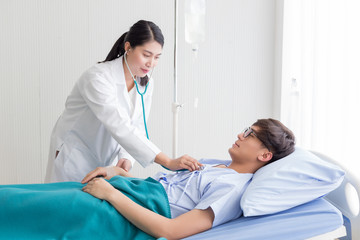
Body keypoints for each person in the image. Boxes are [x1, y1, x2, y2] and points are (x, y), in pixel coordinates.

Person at [0, 119, 295, 239]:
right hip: (124, 191)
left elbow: (171, 228)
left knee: (20, 207)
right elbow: (162, 190)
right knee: (23, 195)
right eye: (245, 129)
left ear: (265, 155)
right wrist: (118, 174)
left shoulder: (233, 189)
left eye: (250, 134)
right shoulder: (214, 166)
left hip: (117, 211)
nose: (240, 135)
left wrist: (112, 195)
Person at [45, 20, 200, 183]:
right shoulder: (98, 78)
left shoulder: (145, 83)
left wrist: (126, 157)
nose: (151, 63)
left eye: (156, 57)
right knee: (65, 205)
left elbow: (137, 125)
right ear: (128, 47)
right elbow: (119, 124)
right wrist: (168, 162)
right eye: (146, 55)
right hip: (74, 156)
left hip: (103, 160)